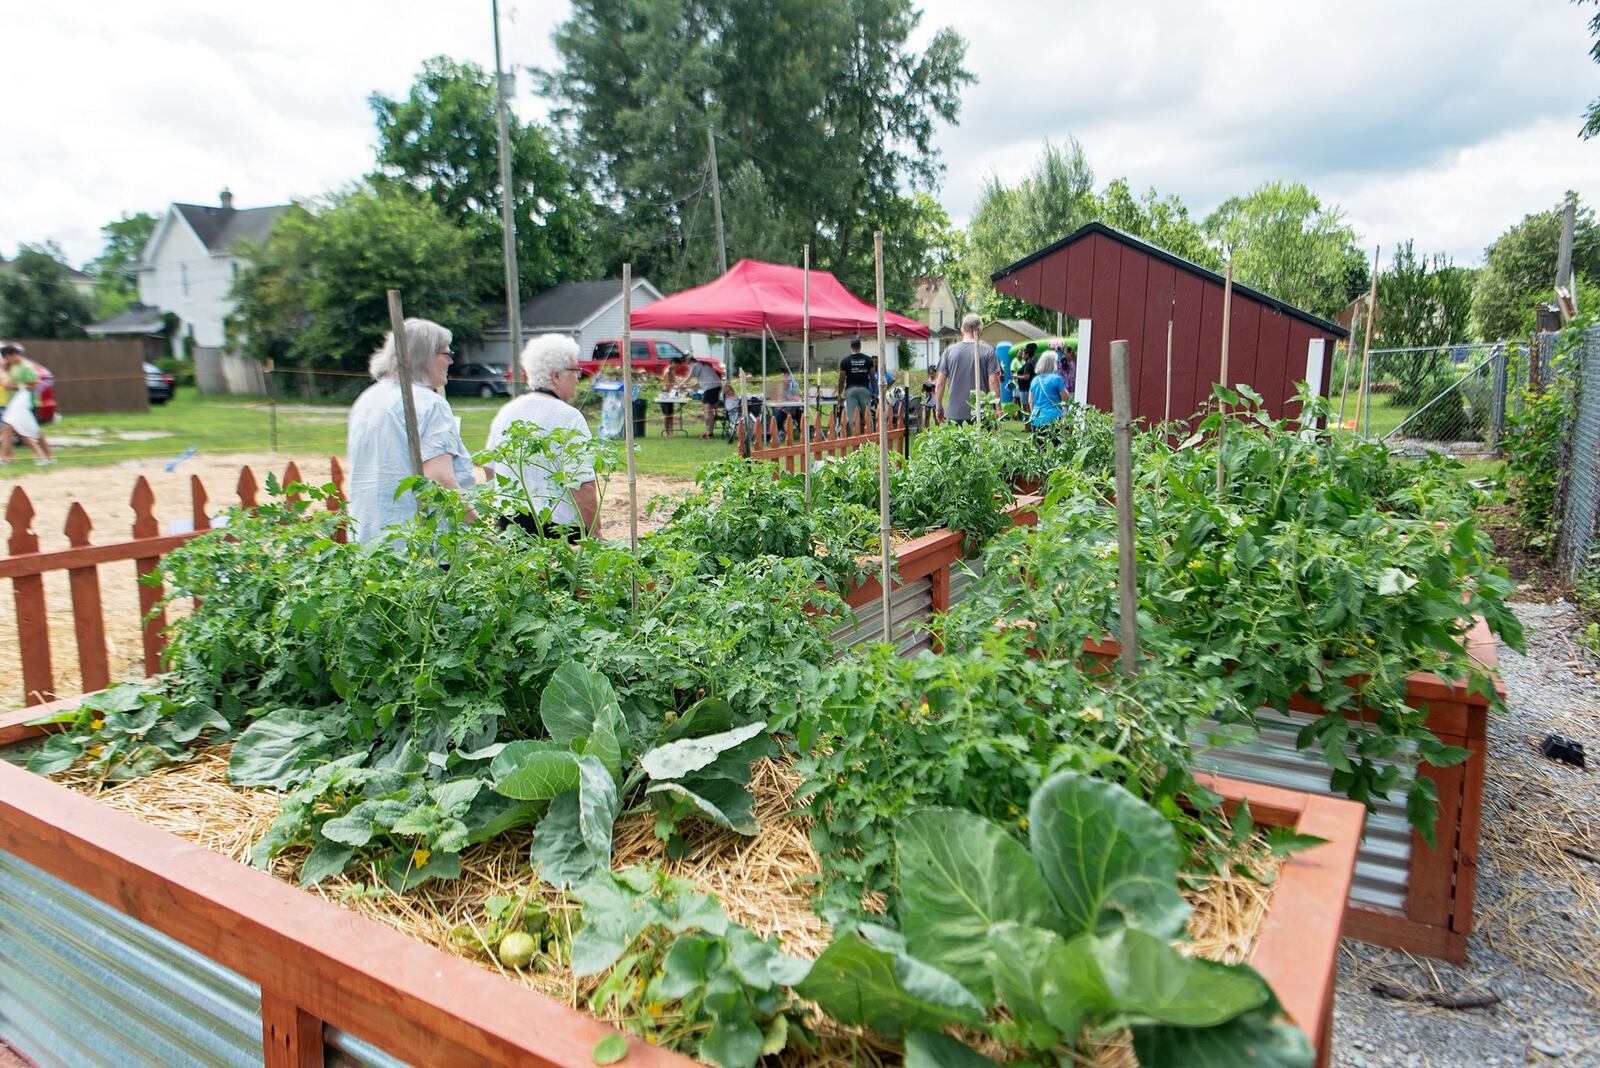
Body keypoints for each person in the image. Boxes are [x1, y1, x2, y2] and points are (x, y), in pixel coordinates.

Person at [345, 318, 476, 544]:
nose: (451, 361)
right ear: (426, 357)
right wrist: (481, 531)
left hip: (369, 536)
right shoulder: (429, 404)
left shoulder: (368, 398)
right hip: (420, 543)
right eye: (447, 353)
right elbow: (438, 480)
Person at [483, 334, 599, 542]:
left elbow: (490, 469)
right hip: (557, 532)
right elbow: (583, 485)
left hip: (511, 526)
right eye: (575, 371)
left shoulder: (507, 411)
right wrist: (594, 533)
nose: (578, 377)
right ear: (556, 376)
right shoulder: (568, 416)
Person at [933, 314, 1002, 425]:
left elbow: (940, 383)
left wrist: (939, 407)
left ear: (962, 329)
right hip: (982, 412)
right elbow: (993, 381)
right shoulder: (988, 351)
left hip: (955, 413)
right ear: (979, 329)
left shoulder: (949, 351)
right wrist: (998, 409)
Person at [0, 343, 54, 466]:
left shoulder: (26, 367)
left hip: (28, 404)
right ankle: (4, 458)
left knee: (32, 432)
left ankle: (46, 457)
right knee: (10, 430)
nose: (6, 361)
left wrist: (16, 386)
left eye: (7, 358)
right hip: (15, 403)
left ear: (11, 355)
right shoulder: (13, 366)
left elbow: (34, 384)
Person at [837, 336, 875, 432]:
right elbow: (873, 377)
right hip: (864, 389)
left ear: (851, 347)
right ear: (860, 346)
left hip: (850, 390)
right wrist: (874, 392)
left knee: (852, 416)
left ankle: (855, 436)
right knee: (867, 415)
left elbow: (841, 379)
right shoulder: (868, 360)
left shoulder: (845, 361)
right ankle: (871, 437)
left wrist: (839, 393)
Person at [1028, 351, 1069, 439]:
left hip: (1037, 419)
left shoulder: (1035, 380)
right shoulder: (1056, 379)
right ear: (1053, 363)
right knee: (1059, 448)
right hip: (1054, 418)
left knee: (1040, 450)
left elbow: (1030, 401)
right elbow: (1066, 398)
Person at [686, 355, 724, 438]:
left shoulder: (696, 365)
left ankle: (709, 433)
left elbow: (688, 378)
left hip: (711, 388)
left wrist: (679, 385)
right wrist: (688, 387)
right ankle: (708, 431)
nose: (687, 366)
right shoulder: (702, 365)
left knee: (708, 410)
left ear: (689, 361)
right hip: (714, 387)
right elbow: (699, 383)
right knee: (708, 410)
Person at [660, 353, 689, 436]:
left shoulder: (672, 371)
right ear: (672, 363)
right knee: (667, 415)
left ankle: (671, 431)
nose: (677, 367)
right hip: (666, 394)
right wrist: (678, 387)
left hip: (671, 394)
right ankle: (667, 431)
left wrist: (680, 385)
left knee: (671, 414)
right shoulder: (668, 371)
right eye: (677, 365)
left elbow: (674, 382)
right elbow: (669, 384)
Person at [1012, 341, 1040, 418]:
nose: (1022, 355)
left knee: (1026, 408)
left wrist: (1016, 376)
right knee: (1031, 407)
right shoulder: (1033, 362)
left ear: (1027, 355)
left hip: (1025, 389)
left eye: (1023, 354)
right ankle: (1031, 426)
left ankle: (1028, 427)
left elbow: (1026, 376)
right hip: (1030, 388)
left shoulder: (1028, 364)